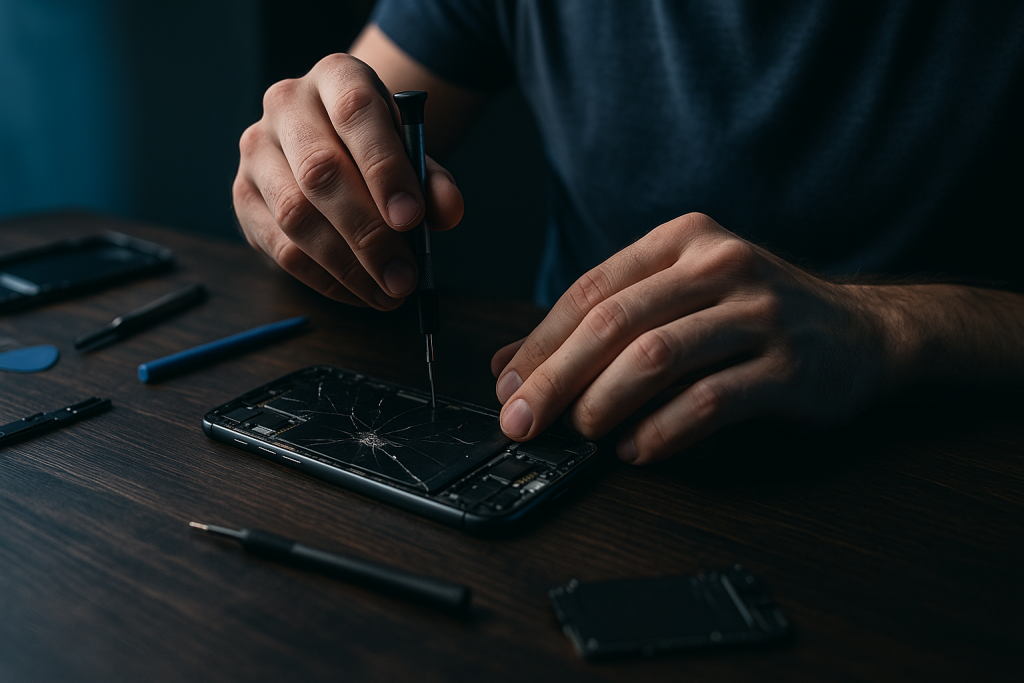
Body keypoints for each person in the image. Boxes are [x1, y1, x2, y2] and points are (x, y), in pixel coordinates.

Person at [232, 1, 1024, 467]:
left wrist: (885, 332)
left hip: (945, 479)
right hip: (580, 445)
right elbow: (341, 134)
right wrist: (300, 176)